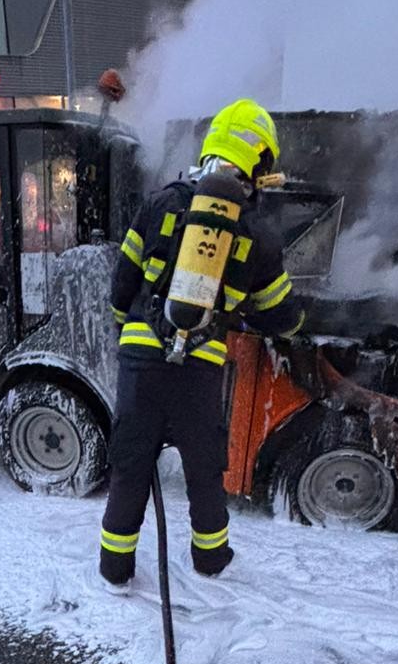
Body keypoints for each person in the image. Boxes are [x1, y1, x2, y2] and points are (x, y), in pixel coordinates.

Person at [99, 98, 305, 585]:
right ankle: (210, 559)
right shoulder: (255, 231)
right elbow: (280, 314)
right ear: (260, 161)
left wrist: (125, 329)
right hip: (200, 365)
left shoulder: (162, 202)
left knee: (130, 464)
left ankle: (115, 567)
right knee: (204, 468)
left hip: (140, 361)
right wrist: (292, 323)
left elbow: (121, 283)